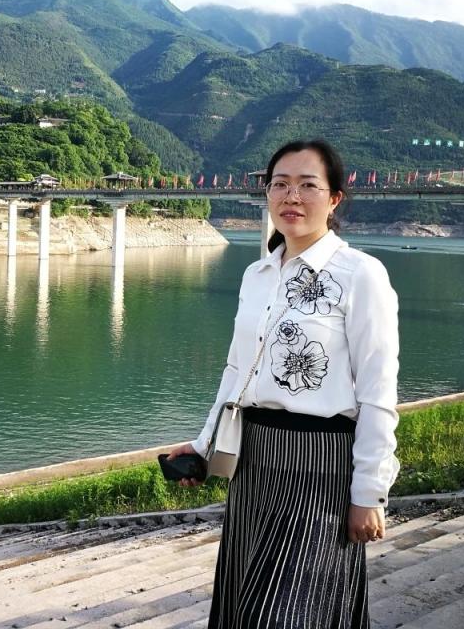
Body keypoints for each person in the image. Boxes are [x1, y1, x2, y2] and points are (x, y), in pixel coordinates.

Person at [166, 138, 400, 628]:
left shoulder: (361, 274)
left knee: (285, 612)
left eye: (308, 185)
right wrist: (204, 445)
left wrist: (369, 493)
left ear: (334, 199)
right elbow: (236, 373)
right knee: (246, 602)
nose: (292, 196)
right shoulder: (257, 274)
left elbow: (378, 393)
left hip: (320, 467)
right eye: (280, 184)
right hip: (253, 461)